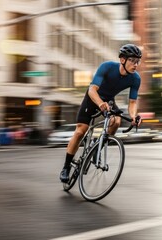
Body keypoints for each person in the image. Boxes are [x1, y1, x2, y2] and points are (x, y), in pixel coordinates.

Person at [59, 43, 143, 183]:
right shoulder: (107, 67)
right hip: (93, 98)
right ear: (123, 59)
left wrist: (134, 116)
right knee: (81, 131)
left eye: (138, 61)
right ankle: (66, 167)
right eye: (133, 61)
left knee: (116, 121)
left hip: (108, 100)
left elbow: (132, 102)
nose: (136, 65)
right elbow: (92, 89)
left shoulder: (135, 78)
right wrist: (100, 104)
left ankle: (98, 145)